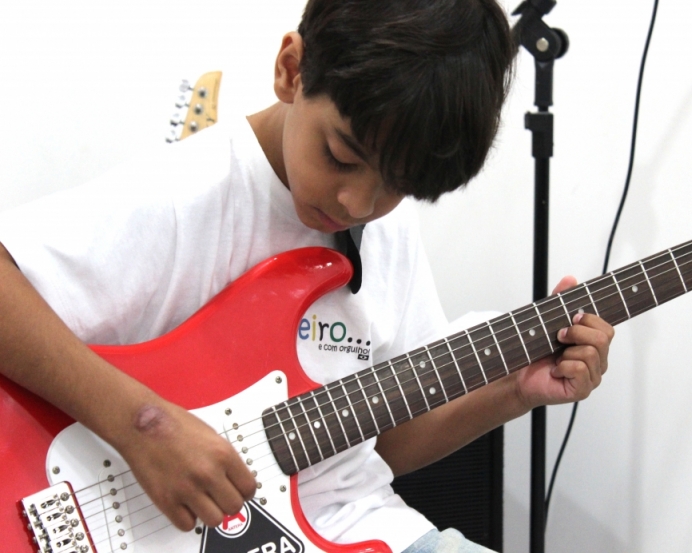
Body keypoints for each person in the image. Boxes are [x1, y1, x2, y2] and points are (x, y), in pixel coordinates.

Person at [0, 0, 614, 551]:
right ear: (292, 70)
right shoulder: (185, 196)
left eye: (397, 187)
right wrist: (143, 425)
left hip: (359, 527)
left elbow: (381, 445)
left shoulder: (385, 229)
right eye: (342, 156)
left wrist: (514, 391)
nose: (357, 204)